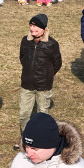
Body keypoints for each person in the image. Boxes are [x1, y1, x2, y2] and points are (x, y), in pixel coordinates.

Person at [17, 13, 62, 150]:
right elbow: (22, 58)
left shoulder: (52, 44)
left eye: (35, 26)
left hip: (43, 86)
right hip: (27, 85)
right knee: (24, 114)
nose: (32, 29)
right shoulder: (25, 41)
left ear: (43, 28)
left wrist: (47, 75)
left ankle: (41, 142)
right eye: (31, 25)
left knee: (42, 115)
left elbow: (57, 63)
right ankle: (26, 141)